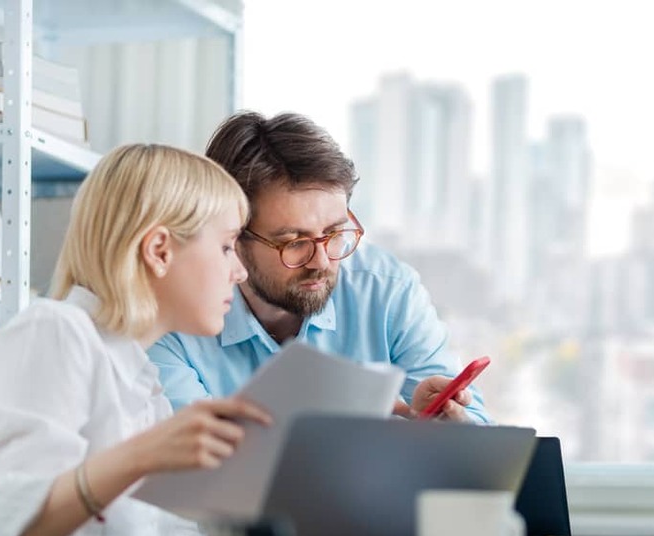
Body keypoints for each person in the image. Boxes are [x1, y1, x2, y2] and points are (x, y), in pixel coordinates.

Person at [0, 144, 271, 536]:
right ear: (160, 251)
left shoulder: (142, 385)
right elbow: (4, 528)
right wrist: (144, 456)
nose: (239, 272)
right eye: (227, 247)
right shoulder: (55, 334)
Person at [149, 112, 491, 423]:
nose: (323, 261)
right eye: (294, 242)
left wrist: (443, 426)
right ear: (234, 237)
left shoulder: (387, 291)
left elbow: (478, 436)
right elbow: (188, 469)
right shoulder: (174, 317)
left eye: (334, 233)